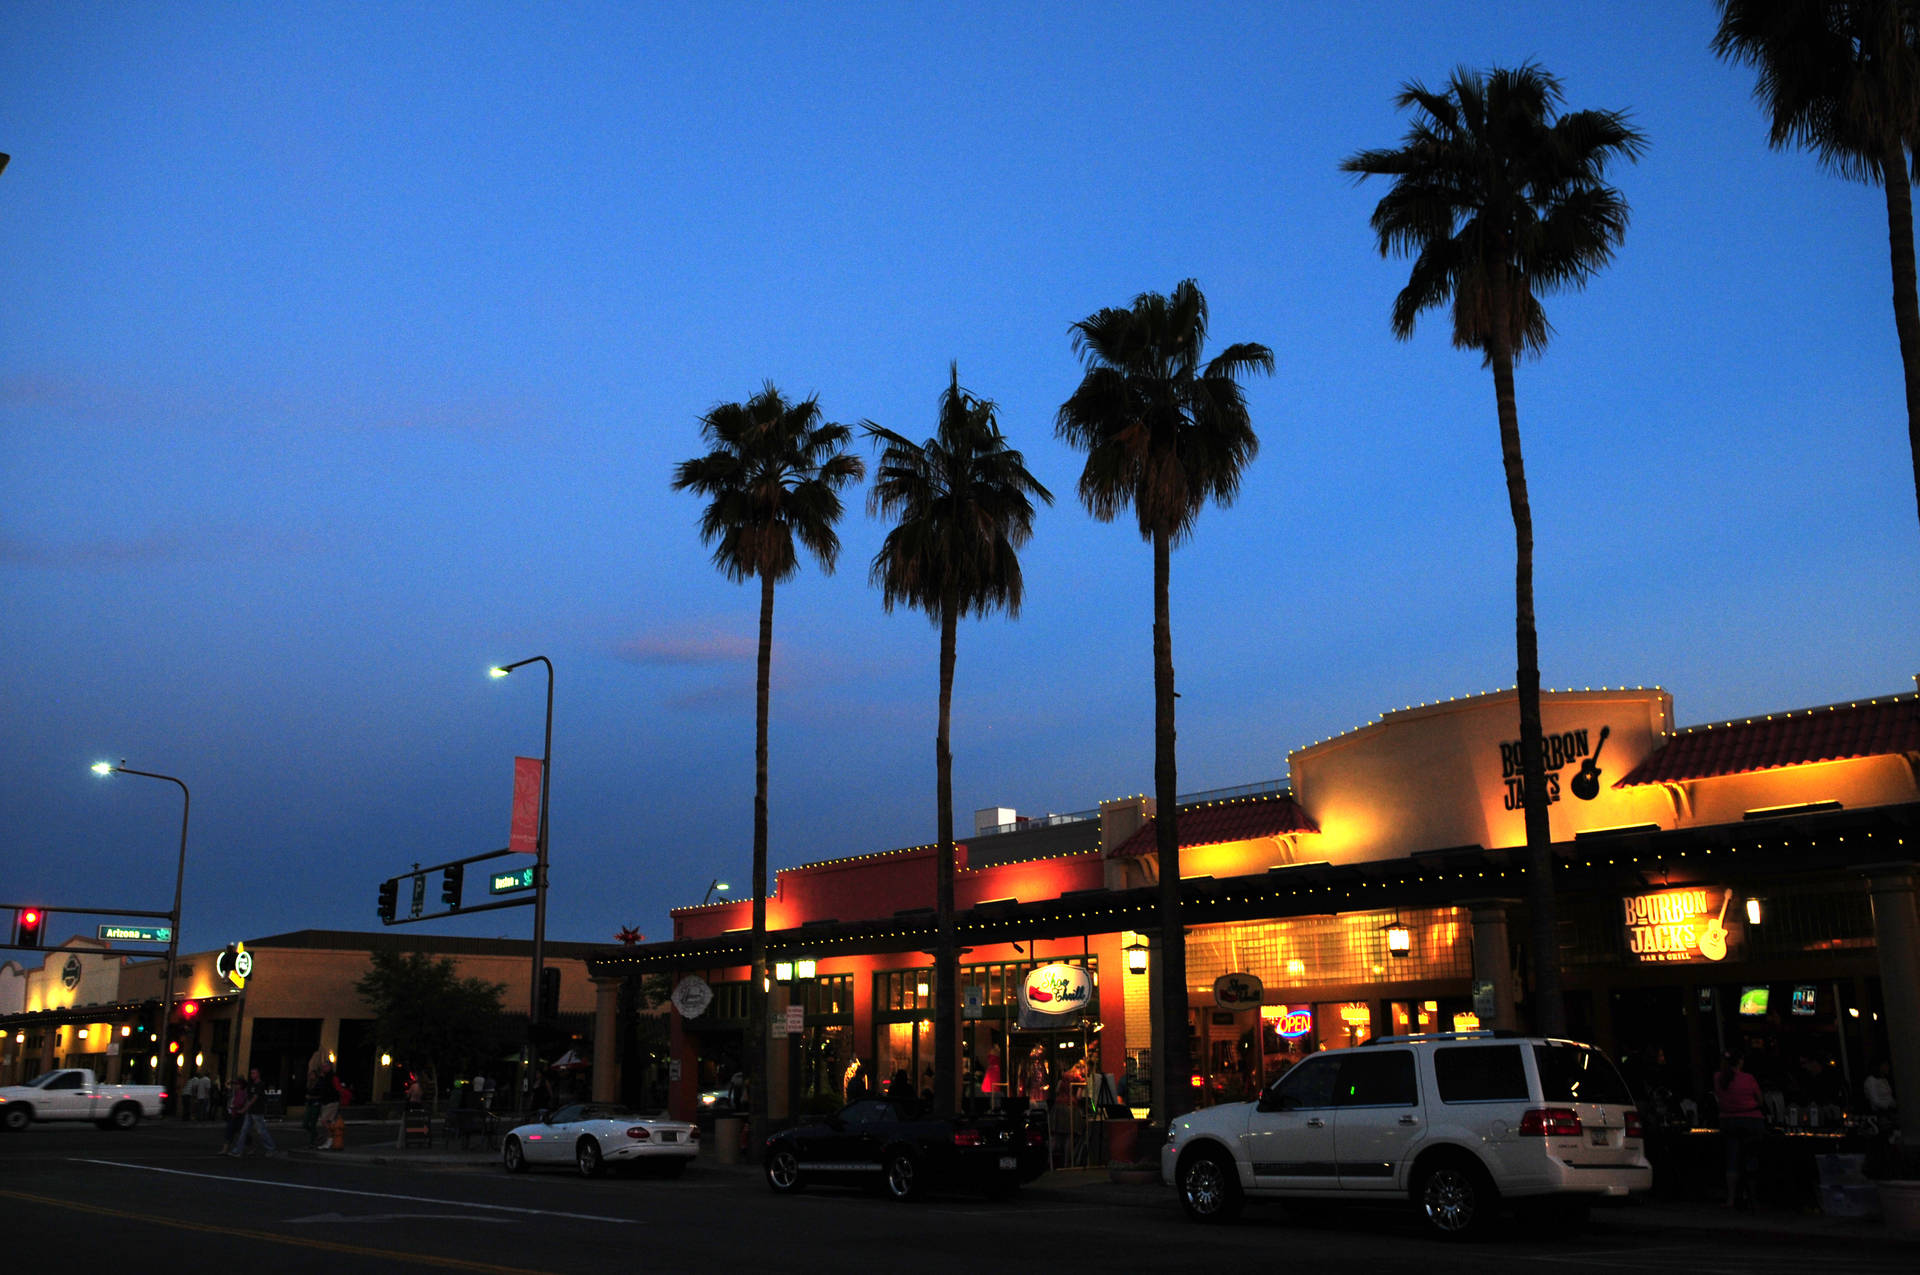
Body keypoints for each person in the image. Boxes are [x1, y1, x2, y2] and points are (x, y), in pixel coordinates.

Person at [1714, 1051, 1766, 1208]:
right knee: (1751, 1156)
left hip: (1728, 1119)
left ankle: (1731, 1198)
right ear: (1740, 1062)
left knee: (1732, 1156)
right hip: (1751, 1119)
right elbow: (1760, 1100)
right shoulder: (1748, 1078)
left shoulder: (1718, 1078)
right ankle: (1753, 1198)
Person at [235, 1067, 279, 1157]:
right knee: (244, 1130)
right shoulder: (251, 1085)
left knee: (261, 1131)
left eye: (254, 1073)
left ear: (258, 1074)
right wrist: (246, 1108)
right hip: (250, 1111)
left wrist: (244, 1108)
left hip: (257, 1111)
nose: (252, 1075)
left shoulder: (260, 1085)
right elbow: (249, 1098)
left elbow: (255, 1098)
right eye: (251, 1073)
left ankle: (271, 1148)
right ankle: (238, 1149)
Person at [302, 1062, 332, 1149]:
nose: (311, 1076)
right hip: (310, 1104)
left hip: (316, 1104)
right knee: (305, 1123)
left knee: (312, 1123)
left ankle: (312, 1142)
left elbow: (321, 1094)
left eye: (312, 1075)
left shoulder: (319, 1083)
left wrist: (312, 1097)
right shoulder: (309, 1084)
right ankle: (316, 1135)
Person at [221, 1074, 250, 1155]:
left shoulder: (240, 1093)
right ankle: (225, 1149)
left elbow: (239, 1103)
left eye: (237, 1084)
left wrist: (233, 1106)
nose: (235, 1086)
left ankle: (226, 1149)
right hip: (236, 1114)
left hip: (238, 1114)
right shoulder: (239, 1092)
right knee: (237, 1131)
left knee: (233, 1131)